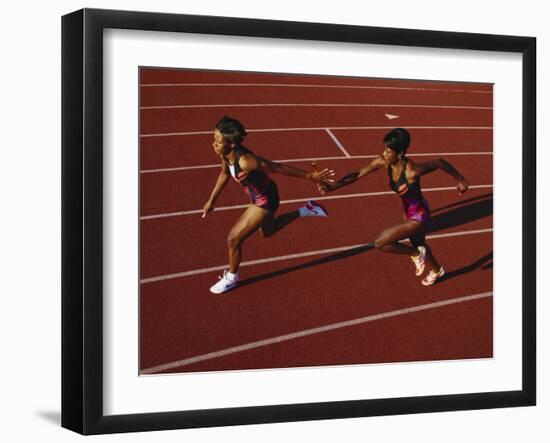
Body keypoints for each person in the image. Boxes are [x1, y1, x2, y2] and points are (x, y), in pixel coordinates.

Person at [318, 127, 469, 286]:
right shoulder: (384, 162)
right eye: (385, 149)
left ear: (401, 153)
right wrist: (333, 187)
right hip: (409, 211)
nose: (384, 154)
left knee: (380, 243)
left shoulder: (412, 172)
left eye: (388, 151)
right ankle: (437, 270)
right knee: (420, 244)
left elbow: (439, 162)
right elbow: (358, 174)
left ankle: (416, 254)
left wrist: (460, 179)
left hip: (419, 216)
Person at [203, 116, 335, 294]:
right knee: (268, 232)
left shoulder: (246, 161)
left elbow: (277, 167)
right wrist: (212, 201)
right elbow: (224, 173)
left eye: (218, 142)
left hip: (265, 200)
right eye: (214, 140)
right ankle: (307, 210)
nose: (214, 144)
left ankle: (232, 278)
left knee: (233, 239)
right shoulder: (226, 154)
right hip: (257, 195)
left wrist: (311, 177)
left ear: (232, 143)